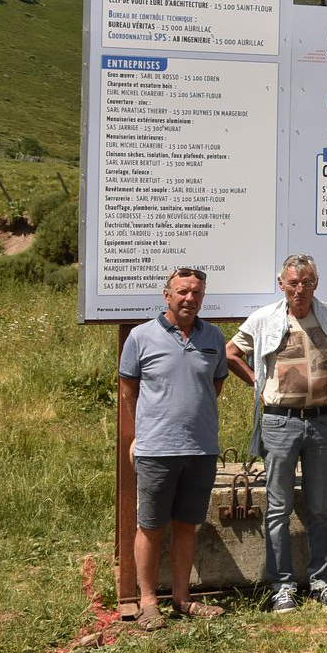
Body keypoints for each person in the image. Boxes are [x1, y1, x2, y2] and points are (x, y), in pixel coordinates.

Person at [225, 254, 327, 613]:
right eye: (293, 283)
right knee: (278, 508)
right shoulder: (264, 318)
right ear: (281, 284)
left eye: (307, 282)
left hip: (320, 420)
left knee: (319, 507)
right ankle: (282, 586)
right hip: (279, 421)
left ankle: (321, 583)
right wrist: (258, 384)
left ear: (316, 284)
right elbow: (231, 352)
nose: (300, 289)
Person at [119, 266, 230, 630]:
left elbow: (213, 385)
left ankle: (183, 599)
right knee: (150, 526)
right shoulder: (140, 337)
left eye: (196, 292)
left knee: (187, 525)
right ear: (166, 295)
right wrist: (137, 436)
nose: (189, 298)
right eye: (182, 291)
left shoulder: (213, 336)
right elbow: (128, 392)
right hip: (156, 450)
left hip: (199, 450)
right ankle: (148, 602)